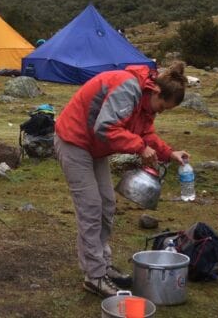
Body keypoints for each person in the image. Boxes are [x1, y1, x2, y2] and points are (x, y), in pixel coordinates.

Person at [54, 61, 190, 298]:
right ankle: (94, 276)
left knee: (107, 205)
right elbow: (105, 128)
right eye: (162, 107)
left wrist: (169, 153)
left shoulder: (146, 102)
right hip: (74, 142)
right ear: (157, 92)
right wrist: (139, 148)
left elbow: (145, 132)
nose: (159, 112)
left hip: (95, 149)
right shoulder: (128, 88)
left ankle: (103, 266)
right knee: (90, 207)